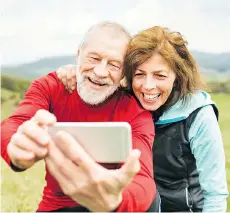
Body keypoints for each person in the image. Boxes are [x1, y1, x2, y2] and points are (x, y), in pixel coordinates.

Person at [57, 26, 228, 212]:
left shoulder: (199, 115)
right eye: (139, 75)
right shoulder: (125, 103)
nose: (148, 86)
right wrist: (73, 72)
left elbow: (215, 195)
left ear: (177, 77)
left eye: (160, 76)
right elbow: (97, 81)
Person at [1, 22, 157, 212]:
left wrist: (115, 200)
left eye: (114, 65)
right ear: (78, 55)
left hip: (109, 206)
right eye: (93, 58)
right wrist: (16, 148)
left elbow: (143, 181)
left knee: (153, 201)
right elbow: (14, 123)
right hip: (57, 207)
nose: (100, 72)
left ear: (124, 73)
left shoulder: (135, 112)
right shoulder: (50, 87)